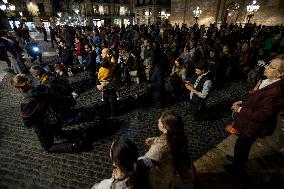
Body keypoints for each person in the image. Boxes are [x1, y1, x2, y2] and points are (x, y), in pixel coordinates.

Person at [224, 56, 284, 173]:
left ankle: (237, 169)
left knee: (242, 146)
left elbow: (263, 115)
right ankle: (237, 160)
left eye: (271, 67)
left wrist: (239, 109)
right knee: (241, 146)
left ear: (280, 73)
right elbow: (257, 100)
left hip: (253, 127)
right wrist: (242, 102)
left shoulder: (276, 92)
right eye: (269, 63)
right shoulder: (269, 81)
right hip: (249, 123)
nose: (266, 67)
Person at [10, 74, 81, 152]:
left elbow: (28, 123)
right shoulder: (41, 88)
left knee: (48, 147)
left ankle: (73, 146)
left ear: (19, 87)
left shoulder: (27, 102)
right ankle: (78, 133)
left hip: (43, 126)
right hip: (54, 118)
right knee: (58, 133)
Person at [140, 111, 195, 189]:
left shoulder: (159, 148)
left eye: (161, 120)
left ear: (165, 130)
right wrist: (155, 140)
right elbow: (167, 141)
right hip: (169, 170)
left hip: (161, 176)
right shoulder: (178, 136)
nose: (158, 120)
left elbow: (146, 161)